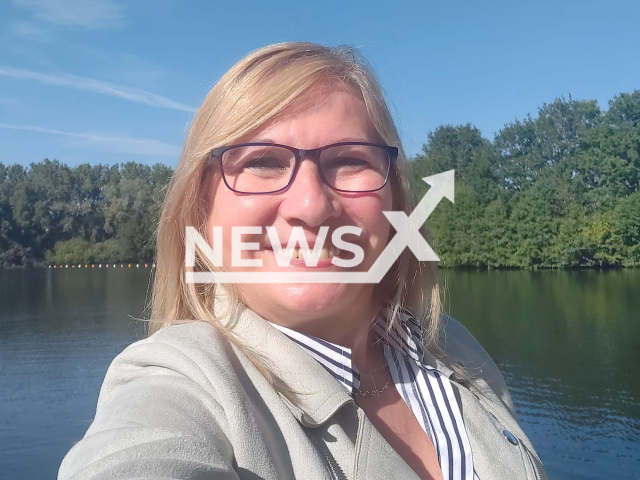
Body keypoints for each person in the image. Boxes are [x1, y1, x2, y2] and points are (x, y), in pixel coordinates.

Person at [58, 42, 548, 480]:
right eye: (262, 162)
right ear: (201, 209)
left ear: (397, 201)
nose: (311, 206)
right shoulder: (183, 385)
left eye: (349, 160)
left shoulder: (451, 346)